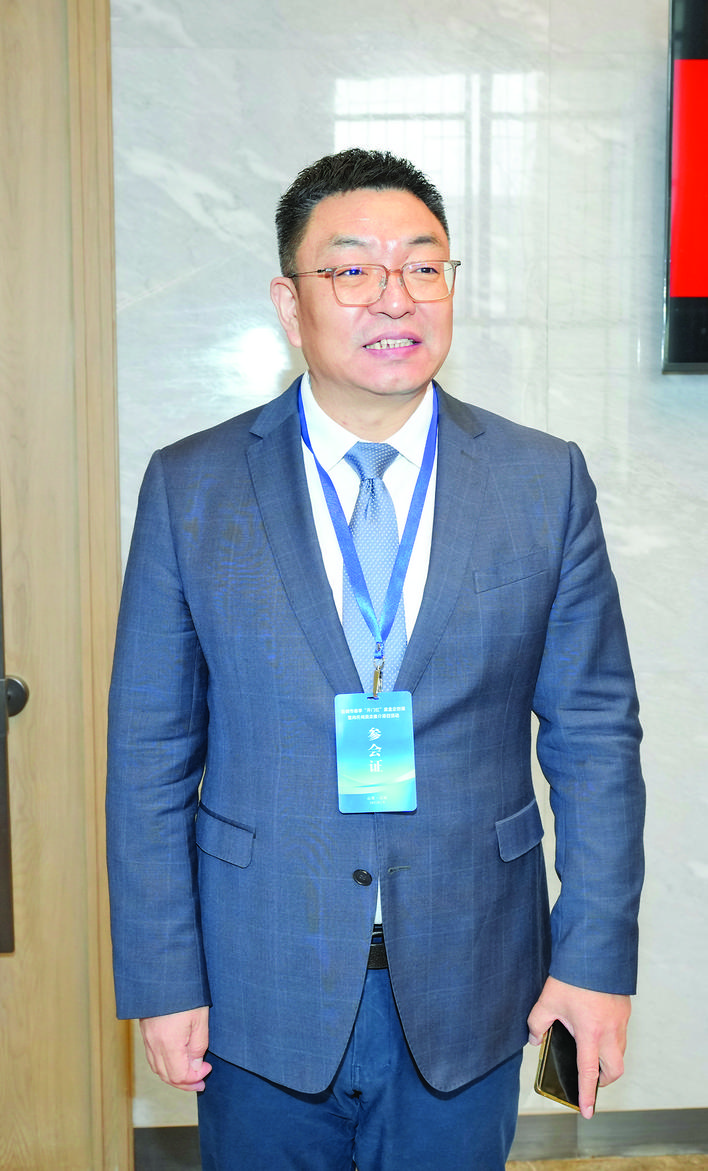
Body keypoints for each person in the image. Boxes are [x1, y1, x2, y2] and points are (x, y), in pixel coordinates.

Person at [106, 148, 645, 1170]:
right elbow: (149, 753)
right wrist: (163, 977)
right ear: (289, 301)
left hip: (475, 973)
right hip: (256, 978)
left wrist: (595, 959)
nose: (395, 297)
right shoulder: (192, 486)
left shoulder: (542, 480)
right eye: (352, 269)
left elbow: (596, 741)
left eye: (423, 266)